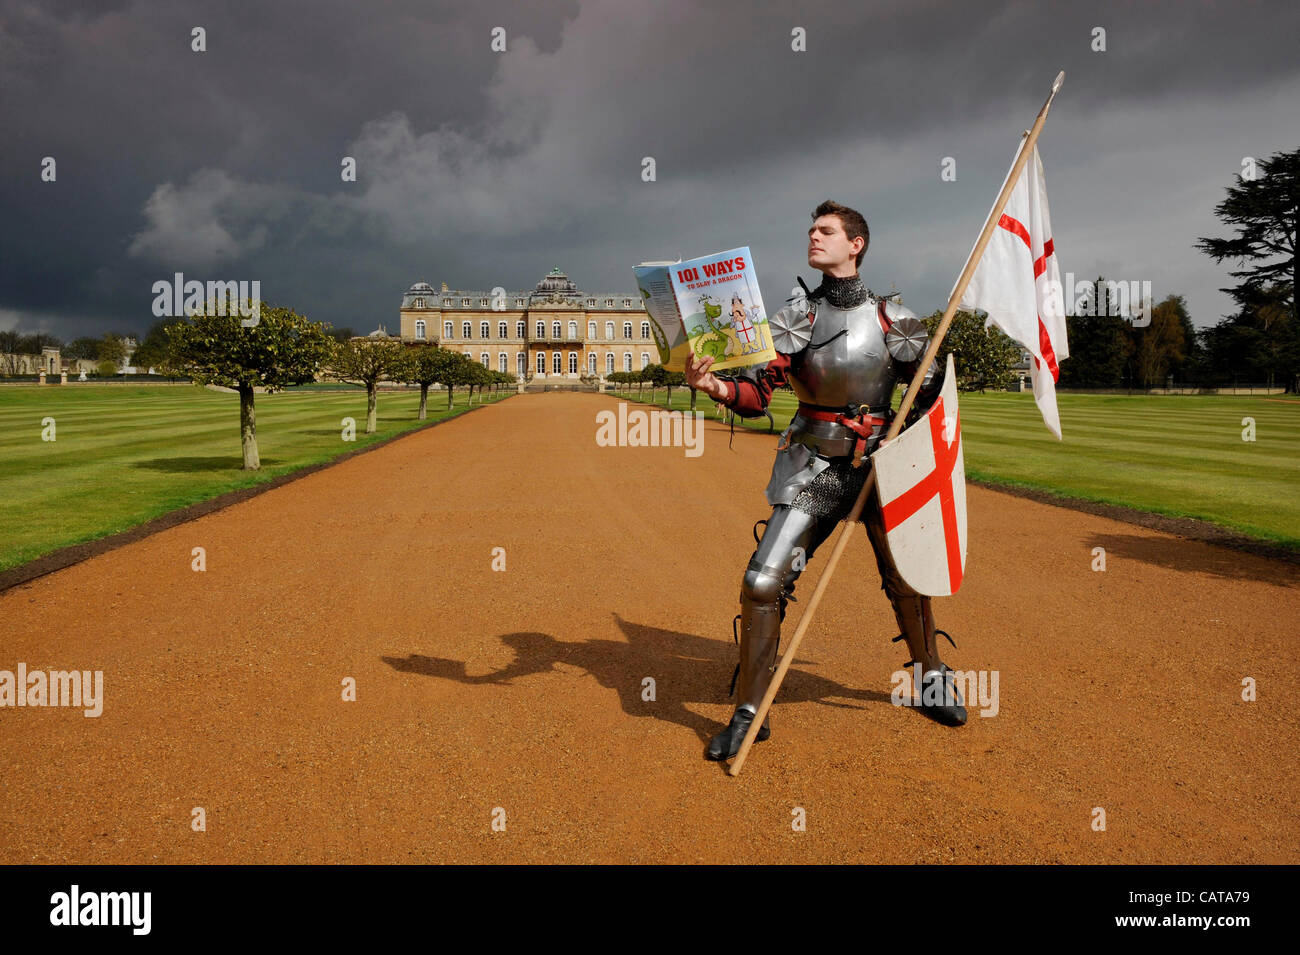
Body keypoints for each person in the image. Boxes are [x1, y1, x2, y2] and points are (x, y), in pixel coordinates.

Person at [685, 199, 967, 762]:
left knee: (907, 577)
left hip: (883, 469)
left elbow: (930, 392)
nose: (813, 237)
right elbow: (757, 394)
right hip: (815, 466)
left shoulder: (894, 319)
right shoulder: (795, 319)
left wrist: (900, 433)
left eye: (826, 230)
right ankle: (749, 712)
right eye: (811, 230)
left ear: (855, 243)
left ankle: (930, 677)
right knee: (763, 584)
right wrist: (714, 387)